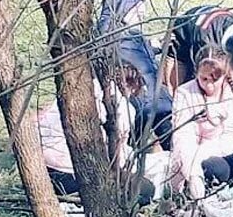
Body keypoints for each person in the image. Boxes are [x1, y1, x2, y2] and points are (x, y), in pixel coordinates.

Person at [37, 65, 155, 206]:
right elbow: (117, 158)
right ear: (132, 85)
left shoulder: (78, 89)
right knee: (146, 189)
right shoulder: (122, 107)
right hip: (74, 175)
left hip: (44, 170)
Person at [171, 53, 233, 200]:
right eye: (204, 79)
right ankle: (205, 188)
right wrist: (193, 171)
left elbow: (232, 136)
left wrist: (212, 150)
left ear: (224, 76)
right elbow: (182, 138)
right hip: (195, 161)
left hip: (224, 151)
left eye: (214, 80)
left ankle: (230, 188)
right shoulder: (184, 93)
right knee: (217, 168)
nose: (209, 85)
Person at [97, 0, 173, 151]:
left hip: (149, 99)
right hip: (138, 102)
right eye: (136, 8)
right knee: (161, 131)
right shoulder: (110, 39)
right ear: (121, 7)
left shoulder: (127, 34)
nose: (142, 12)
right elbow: (129, 60)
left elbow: (136, 54)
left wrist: (154, 46)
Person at [165, 4, 233, 92]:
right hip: (185, 31)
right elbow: (202, 78)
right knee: (177, 87)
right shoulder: (206, 42)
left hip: (217, 28)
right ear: (227, 55)